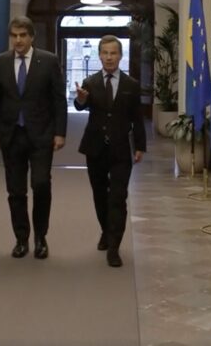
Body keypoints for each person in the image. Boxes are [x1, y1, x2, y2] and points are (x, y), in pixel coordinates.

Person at [0, 16, 67, 260]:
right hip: (12, 135)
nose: (18, 40)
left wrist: (60, 132)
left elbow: (58, 99)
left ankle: (40, 237)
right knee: (15, 191)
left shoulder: (48, 61)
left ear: (31, 37)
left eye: (23, 35)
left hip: (41, 134)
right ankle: (21, 239)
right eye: (14, 35)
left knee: (41, 184)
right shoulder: (1, 62)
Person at [73, 35, 146, 267]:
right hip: (94, 147)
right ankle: (106, 230)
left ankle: (114, 246)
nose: (109, 57)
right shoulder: (90, 82)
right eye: (105, 53)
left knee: (118, 197)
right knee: (99, 195)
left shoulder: (131, 85)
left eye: (113, 53)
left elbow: (137, 118)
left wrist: (140, 146)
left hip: (120, 149)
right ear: (99, 55)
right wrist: (82, 100)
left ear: (120, 56)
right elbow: (79, 105)